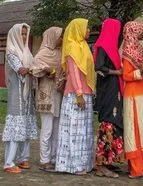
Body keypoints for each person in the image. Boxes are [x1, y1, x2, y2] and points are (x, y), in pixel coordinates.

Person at [55, 18, 95, 176]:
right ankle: (73, 165)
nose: (89, 31)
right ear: (78, 29)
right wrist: (79, 94)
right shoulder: (72, 47)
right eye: (87, 28)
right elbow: (73, 73)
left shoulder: (84, 46)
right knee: (74, 130)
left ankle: (84, 163)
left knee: (85, 131)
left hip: (86, 93)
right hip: (75, 95)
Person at [2, 23, 38, 174]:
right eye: (21, 34)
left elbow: (31, 67)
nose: (24, 37)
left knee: (26, 123)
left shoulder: (27, 52)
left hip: (27, 94)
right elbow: (21, 70)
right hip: (17, 94)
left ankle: (23, 158)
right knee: (16, 125)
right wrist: (36, 69)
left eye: (25, 34)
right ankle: (9, 162)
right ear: (15, 35)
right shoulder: (11, 52)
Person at [121, 21, 143, 180]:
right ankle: (136, 169)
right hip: (133, 94)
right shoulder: (128, 52)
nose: (142, 34)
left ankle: (138, 166)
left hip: (141, 92)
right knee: (135, 131)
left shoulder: (139, 50)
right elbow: (126, 75)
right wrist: (142, 71)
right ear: (133, 33)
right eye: (140, 31)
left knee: (141, 128)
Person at [93, 18, 125, 178]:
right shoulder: (103, 46)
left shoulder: (111, 46)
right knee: (107, 123)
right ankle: (100, 165)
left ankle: (109, 160)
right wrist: (116, 72)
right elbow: (98, 68)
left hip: (115, 89)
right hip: (107, 90)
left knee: (115, 123)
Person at [29, 26, 64, 172]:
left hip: (57, 93)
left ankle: (54, 157)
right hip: (46, 94)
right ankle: (44, 160)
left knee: (57, 128)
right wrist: (47, 70)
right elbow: (33, 69)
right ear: (52, 37)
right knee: (47, 128)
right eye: (59, 36)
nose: (61, 39)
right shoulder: (43, 53)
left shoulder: (60, 53)